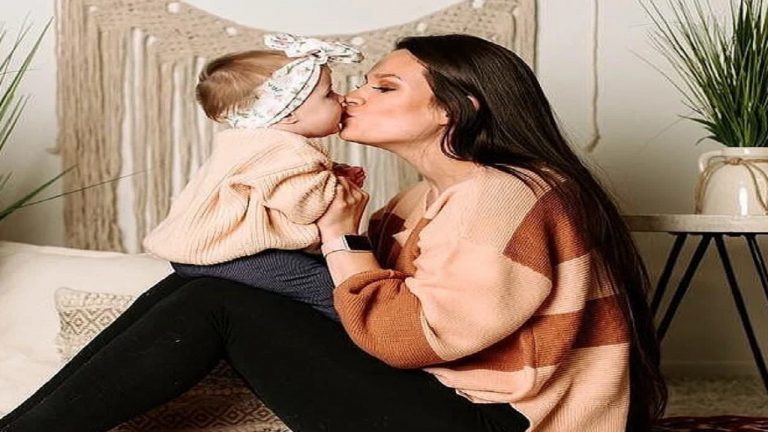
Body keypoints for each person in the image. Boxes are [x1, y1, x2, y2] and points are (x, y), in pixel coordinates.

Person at [0, 33, 666, 432]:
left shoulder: (502, 195)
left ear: (455, 108)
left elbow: (407, 338)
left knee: (215, 300)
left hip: (497, 423)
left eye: (384, 87)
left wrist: (343, 238)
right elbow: (354, 301)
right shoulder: (423, 198)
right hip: (449, 402)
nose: (352, 97)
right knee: (201, 286)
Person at [144, 33, 366, 321]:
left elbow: (277, 186)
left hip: (199, 254)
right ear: (288, 113)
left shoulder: (248, 142)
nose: (342, 98)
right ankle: (365, 338)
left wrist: (331, 172)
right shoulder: (289, 149)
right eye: (329, 93)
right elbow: (306, 207)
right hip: (232, 255)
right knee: (328, 289)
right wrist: (337, 184)